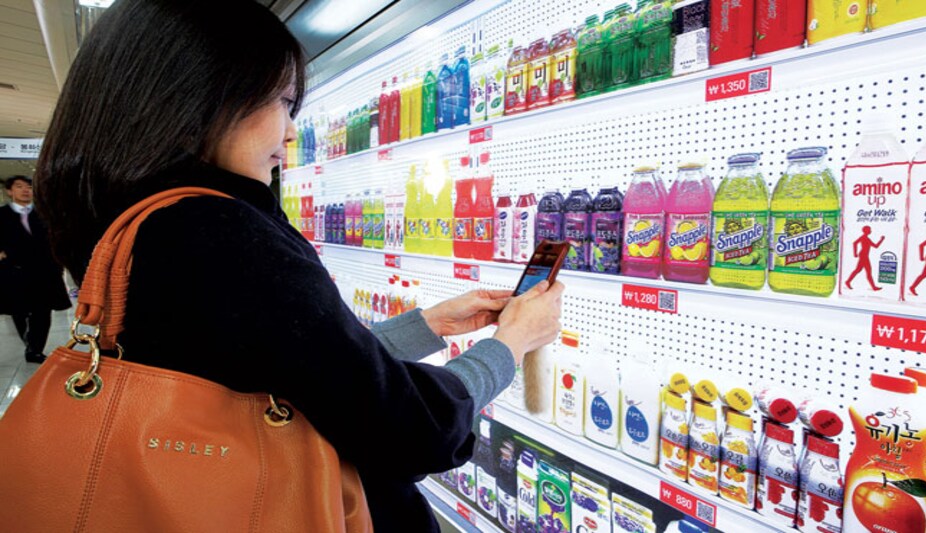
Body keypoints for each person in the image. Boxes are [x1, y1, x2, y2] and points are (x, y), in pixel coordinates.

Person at [34, 0, 563, 530]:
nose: (290, 132)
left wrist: (428, 326)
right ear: (199, 95)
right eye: (283, 102)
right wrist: (510, 344)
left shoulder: (130, 214)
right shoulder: (218, 232)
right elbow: (409, 431)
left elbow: (294, 370)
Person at [0, 175, 71, 363]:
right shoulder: (2, 215)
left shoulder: (46, 214)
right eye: (19, 186)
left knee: (43, 311)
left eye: (29, 187)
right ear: (10, 191)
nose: (25, 190)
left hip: (44, 272)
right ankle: (28, 339)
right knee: (19, 311)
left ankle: (35, 349)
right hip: (15, 272)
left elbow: (59, 236)